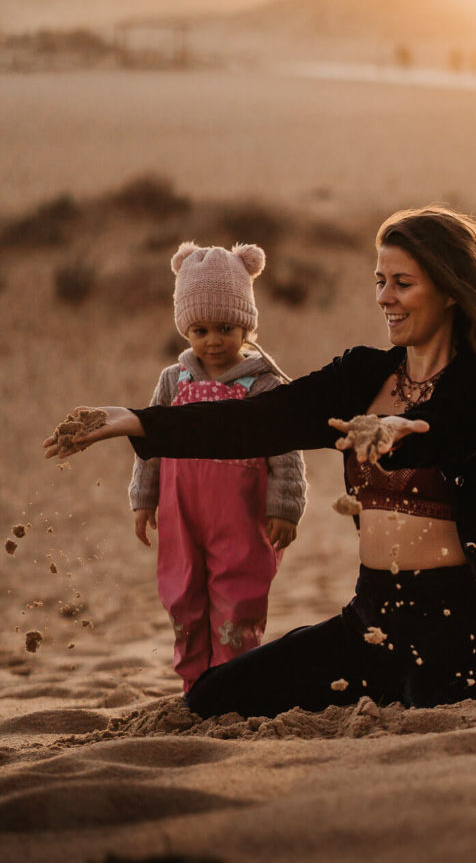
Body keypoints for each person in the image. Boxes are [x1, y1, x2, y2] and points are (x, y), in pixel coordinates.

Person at [45, 207, 476, 719]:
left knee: (431, 698)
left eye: (403, 282)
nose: (385, 297)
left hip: (460, 622)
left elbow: (447, 428)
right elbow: (257, 420)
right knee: (217, 695)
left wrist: (399, 429)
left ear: (450, 289)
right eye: (380, 281)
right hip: (373, 618)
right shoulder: (360, 376)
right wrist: (138, 422)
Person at [127, 241, 306, 692]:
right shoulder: (174, 380)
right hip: (182, 516)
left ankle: (231, 687)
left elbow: (287, 447)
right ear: (186, 330)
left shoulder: (262, 383)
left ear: (245, 324)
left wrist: (285, 505)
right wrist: (143, 499)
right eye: (200, 330)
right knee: (183, 600)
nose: (213, 340)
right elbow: (150, 439)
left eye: (225, 327)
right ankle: (194, 687)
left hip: (242, 520)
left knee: (237, 602)